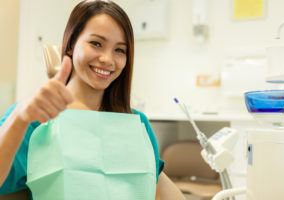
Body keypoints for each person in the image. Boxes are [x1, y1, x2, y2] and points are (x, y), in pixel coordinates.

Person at [0, 0, 185, 199]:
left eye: (120, 50)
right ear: (71, 44)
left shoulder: (136, 123)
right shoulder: (36, 117)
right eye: (96, 43)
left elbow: (152, 191)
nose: (107, 59)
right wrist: (19, 117)